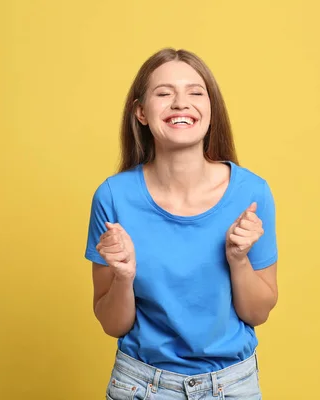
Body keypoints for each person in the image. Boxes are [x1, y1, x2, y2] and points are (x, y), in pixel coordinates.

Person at [84, 48, 278, 400]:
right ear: (141, 112)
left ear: (210, 109)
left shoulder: (252, 193)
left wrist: (238, 259)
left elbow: (258, 312)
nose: (180, 103)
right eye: (164, 93)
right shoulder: (112, 197)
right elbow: (113, 324)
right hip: (140, 385)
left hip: (233, 386)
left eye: (194, 92)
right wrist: (124, 277)